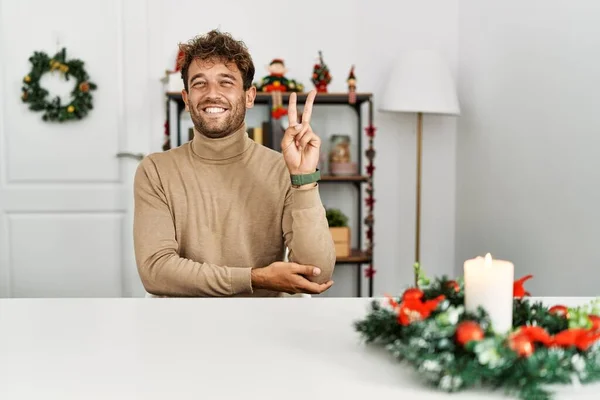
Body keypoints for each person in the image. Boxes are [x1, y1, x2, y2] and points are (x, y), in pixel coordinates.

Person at [133, 30, 336, 297]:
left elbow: (317, 272)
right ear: (186, 98)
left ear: (249, 96)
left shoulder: (280, 169)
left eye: (226, 82)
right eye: (199, 83)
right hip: (181, 326)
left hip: (264, 325)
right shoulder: (156, 170)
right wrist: (256, 278)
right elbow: (156, 271)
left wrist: (304, 178)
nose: (212, 94)